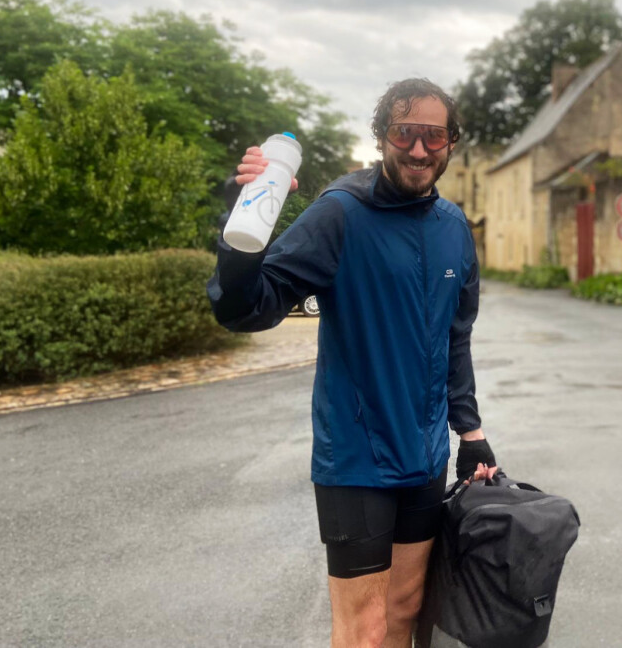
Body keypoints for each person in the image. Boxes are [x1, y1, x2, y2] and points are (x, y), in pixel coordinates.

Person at [208, 79, 497, 648]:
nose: (418, 150)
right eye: (404, 133)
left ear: (451, 144)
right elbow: (248, 308)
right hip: (357, 458)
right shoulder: (340, 213)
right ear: (381, 138)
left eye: (432, 136)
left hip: (425, 456)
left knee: (406, 609)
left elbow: (454, 339)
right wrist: (242, 219)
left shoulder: (454, 228)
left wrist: (471, 433)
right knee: (362, 632)